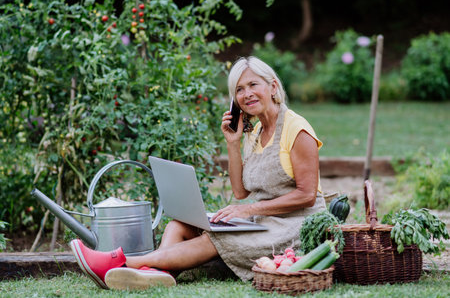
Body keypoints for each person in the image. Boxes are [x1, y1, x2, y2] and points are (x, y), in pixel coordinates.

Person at [70, 56, 326, 290]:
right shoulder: (255, 132)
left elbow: (306, 196)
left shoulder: (297, 129)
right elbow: (240, 191)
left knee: (215, 239)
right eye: (239, 89)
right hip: (266, 220)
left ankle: (122, 263)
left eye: (253, 85)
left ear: (272, 87)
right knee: (180, 224)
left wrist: (248, 210)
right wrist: (232, 143)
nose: (247, 94)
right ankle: (155, 275)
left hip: (296, 226)